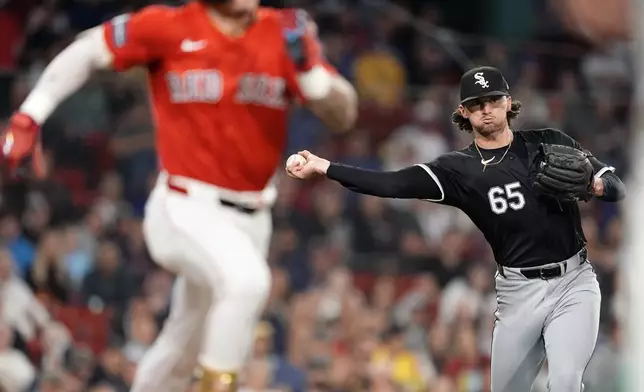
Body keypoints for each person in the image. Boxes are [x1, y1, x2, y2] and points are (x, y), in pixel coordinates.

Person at [1, 0, 357, 391]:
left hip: (254, 216)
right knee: (248, 282)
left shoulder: (283, 32)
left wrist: (312, 78)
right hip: (184, 204)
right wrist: (29, 114)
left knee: (182, 345)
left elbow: (344, 114)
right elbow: (87, 50)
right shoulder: (169, 26)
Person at [286, 66, 626, 392]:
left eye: (493, 100)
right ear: (464, 112)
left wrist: (595, 186)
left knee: (565, 381)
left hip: (573, 282)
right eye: (477, 104)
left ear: (509, 102)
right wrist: (324, 167)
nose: (487, 110)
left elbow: (615, 186)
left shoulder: (548, 141)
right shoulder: (458, 171)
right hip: (518, 293)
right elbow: (390, 183)